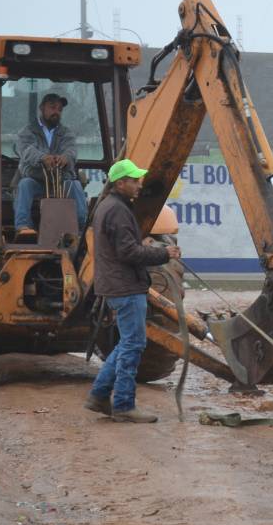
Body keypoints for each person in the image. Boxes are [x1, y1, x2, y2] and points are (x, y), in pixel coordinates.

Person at [84, 159, 179, 423]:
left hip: (117, 285)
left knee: (128, 342)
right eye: (134, 181)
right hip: (125, 286)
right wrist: (164, 253)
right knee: (133, 344)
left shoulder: (109, 206)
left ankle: (99, 395)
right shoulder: (118, 210)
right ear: (120, 183)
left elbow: (123, 246)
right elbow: (128, 252)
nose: (139, 185)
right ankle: (124, 405)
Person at [13, 93, 88, 237]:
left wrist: (65, 158)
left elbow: (71, 150)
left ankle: (81, 229)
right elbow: (26, 150)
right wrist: (42, 158)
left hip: (60, 181)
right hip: (36, 180)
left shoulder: (66, 133)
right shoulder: (27, 131)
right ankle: (23, 227)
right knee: (24, 184)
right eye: (52, 107)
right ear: (42, 108)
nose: (56, 112)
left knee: (75, 185)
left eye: (59, 109)